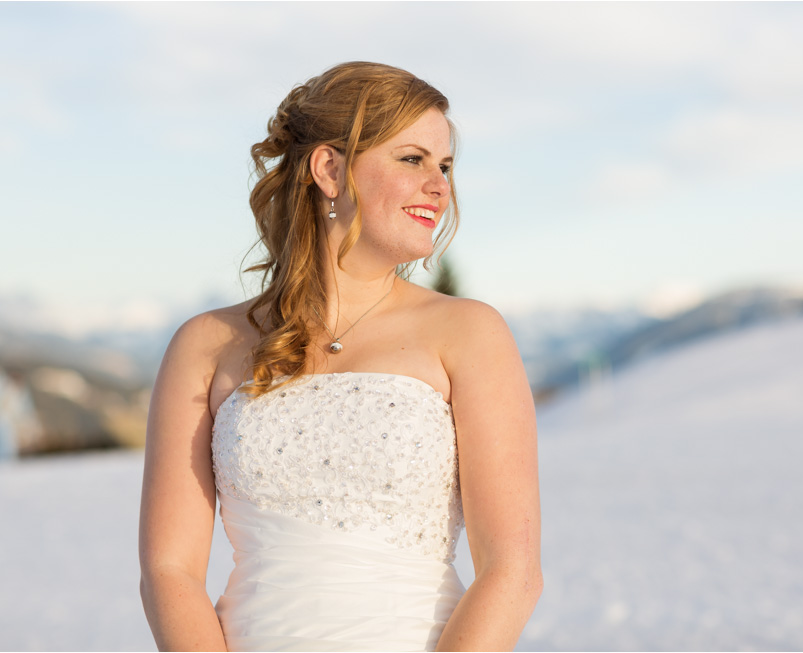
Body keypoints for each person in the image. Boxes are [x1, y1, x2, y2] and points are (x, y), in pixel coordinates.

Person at [138, 61, 542, 652]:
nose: (440, 185)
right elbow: (168, 570)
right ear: (329, 168)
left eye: (446, 165)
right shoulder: (206, 344)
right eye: (413, 159)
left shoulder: (470, 332)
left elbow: (514, 571)